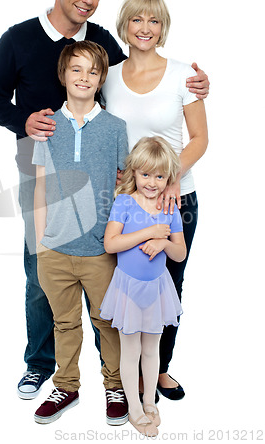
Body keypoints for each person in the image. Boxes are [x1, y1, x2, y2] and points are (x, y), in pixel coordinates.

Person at [0, 0, 209, 400]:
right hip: (44, 171)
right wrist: (23, 121)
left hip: (117, 184)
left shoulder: (105, 45)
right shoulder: (18, 38)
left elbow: (149, 70)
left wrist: (200, 85)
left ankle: (134, 373)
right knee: (41, 272)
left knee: (129, 276)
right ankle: (42, 365)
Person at [100, 0, 209, 401]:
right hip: (125, 202)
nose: (145, 28)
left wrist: (170, 178)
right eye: (137, 19)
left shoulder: (184, 74)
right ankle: (122, 373)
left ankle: (159, 369)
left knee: (169, 284)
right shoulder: (107, 76)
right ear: (125, 24)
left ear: (163, 27)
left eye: (154, 20)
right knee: (123, 284)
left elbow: (199, 138)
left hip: (174, 199)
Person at [32, 41, 129, 425]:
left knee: (108, 322)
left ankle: (116, 385)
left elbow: (124, 186)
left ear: (101, 78)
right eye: (76, 69)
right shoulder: (48, 126)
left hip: (100, 249)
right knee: (65, 323)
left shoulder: (116, 128)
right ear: (63, 75)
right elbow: (39, 185)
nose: (84, 77)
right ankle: (67, 385)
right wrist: (39, 241)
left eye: (92, 71)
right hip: (54, 249)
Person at [100, 136, 186, 436]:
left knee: (152, 349)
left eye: (160, 176)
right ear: (134, 171)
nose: (152, 182)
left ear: (168, 178)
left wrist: (162, 242)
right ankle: (134, 409)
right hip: (127, 288)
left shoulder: (169, 207)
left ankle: (150, 402)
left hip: (157, 288)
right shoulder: (124, 202)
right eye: (145, 174)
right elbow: (111, 243)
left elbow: (180, 252)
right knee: (130, 349)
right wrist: (149, 231)